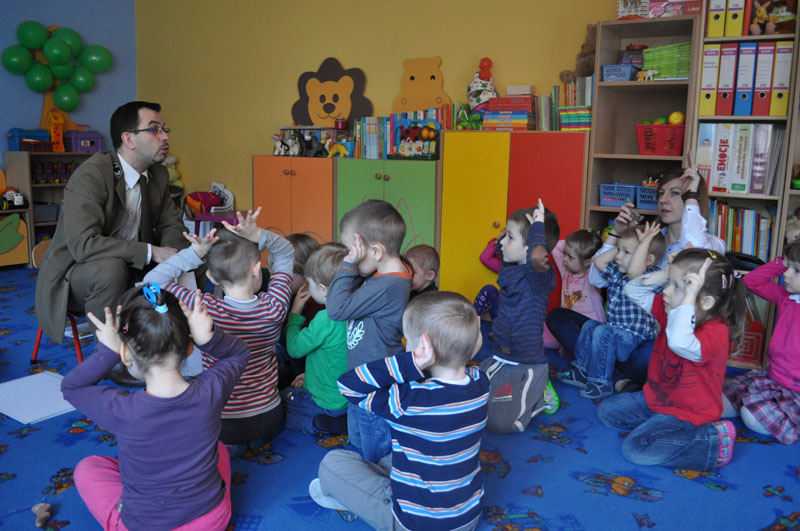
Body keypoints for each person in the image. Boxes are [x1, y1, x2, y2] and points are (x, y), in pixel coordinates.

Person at [62, 286, 249, 530]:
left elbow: (72, 387)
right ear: (189, 348)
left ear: (125, 354)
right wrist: (208, 338)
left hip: (146, 525)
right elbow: (238, 354)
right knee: (219, 449)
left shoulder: (120, 409)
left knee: (87, 469)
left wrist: (107, 352)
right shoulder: (210, 392)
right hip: (212, 520)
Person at [310, 291, 488, 531]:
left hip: (415, 524)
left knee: (332, 464)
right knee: (392, 458)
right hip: (467, 518)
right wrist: (470, 341)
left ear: (421, 348)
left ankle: (357, 498)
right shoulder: (480, 383)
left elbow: (348, 385)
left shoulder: (407, 399)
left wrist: (410, 363)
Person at [143, 208, 293, 457]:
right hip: (269, 418)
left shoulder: (205, 307)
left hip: (226, 425)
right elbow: (286, 252)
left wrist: (194, 254)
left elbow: (151, 282)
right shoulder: (275, 306)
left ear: (211, 277)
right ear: (257, 270)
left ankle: (230, 448)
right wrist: (258, 235)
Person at [35, 101, 187, 346]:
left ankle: (182, 340)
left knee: (199, 257)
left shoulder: (158, 174)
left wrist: (175, 258)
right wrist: (153, 252)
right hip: (77, 273)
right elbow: (84, 245)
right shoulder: (92, 175)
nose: (165, 136)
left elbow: (173, 225)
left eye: (165, 129)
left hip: (132, 265)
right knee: (110, 270)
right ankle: (111, 352)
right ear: (129, 139)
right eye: (154, 129)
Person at [597, 246, 745, 471]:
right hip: (658, 399)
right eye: (669, 283)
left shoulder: (716, 332)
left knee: (635, 450)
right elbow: (632, 290)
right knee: (607, 412)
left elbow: (679, 341)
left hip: (689, 414)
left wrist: (688, 297)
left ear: (705, 302)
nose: (665, 291)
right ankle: (661, 428)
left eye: (676, 287)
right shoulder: (672, 310)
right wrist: (666, 274)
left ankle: (712, 441)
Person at [326, 199, 412, 463]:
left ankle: (379, 477)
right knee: (359, 434)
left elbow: (336, 309)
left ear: (376, 251)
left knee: (375, 442)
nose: (349, 257)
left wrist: (348, 266)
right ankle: (365, 468)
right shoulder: (387, 275)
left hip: (374, 380)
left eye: (352, 251)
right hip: (364, 374)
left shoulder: (387, 285)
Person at [555, 224, 664, 399]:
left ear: (648, 260)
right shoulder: (616, 272)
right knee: (590, 326)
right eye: (618, 251)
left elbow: (636, 273)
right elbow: (599, 262)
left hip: (635, 339)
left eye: (626, 253)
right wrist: (622, 245)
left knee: (602, 330)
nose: (618, 257)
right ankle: (583, 371)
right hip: (616, 334)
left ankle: (601, 382)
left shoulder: (651, 278)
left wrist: (640, 246)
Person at [480, 199, 560, 434]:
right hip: (501, 353)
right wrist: (506, 237)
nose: (503, 242)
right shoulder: (511, 270)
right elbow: (502, 250)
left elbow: (536, 256)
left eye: (510, 237)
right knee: (471, 399)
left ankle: (539, 389)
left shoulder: (538, 278)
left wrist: (538, 227)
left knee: (500, 425)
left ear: (531, 247)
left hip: (526, 360)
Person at [722, 240, 800, 445]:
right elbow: (751, 282)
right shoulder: (787, 297)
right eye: (788, 267)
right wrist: (781, 262)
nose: (786, 274)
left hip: (794, 392)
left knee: (750, 416)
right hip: (770, 378)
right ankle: (758, 408)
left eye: (796, 270)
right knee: (720, 401)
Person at [281, 243, 349, 435]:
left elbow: (294, 348)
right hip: (346, 399)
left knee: (280, 404)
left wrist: (295, 312)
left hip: (323, 401)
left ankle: (317, 424)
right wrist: (309, 375)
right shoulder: (359, 312)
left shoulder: (325, 319)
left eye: (310, 285)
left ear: (323, 289)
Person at [545, 230, 605, 356]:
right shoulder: (566, 271)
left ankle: (577, 350)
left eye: (570, 257)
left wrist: (590, 247)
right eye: (565, 254)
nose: (565, 259)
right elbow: (556, 247)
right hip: (567, 324)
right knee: (538, 331)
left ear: (588, 262)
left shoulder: (592, 275)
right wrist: (575, 244)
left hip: (589, 326)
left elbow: (599, 259)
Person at [474, 228, 503, 320]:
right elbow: (484, 258)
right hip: (501, 313)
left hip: (518, 314)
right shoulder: (503, 266)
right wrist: (497, 240)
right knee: (489, 289)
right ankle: (473, 322)